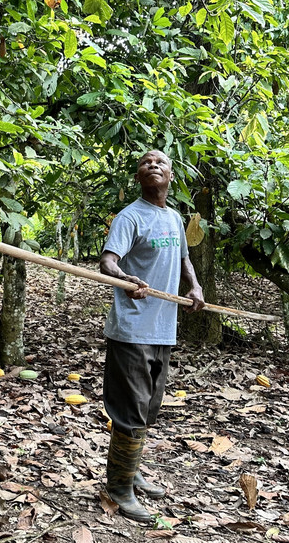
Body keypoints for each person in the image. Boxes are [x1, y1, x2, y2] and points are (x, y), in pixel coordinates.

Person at [98, 150, 205, 523]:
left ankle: (131, 469)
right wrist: (124, 278)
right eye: (144, 162)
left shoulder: (174, 218)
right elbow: (108, 261)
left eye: (159, 162)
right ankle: (119, 486)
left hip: (163, 327)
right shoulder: (130, 217)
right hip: (132, 328)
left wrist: (194, 287)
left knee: (149, 407)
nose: (152, 166)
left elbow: (183, 260)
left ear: (170, 176)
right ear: (139, 176)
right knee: (130, 408)